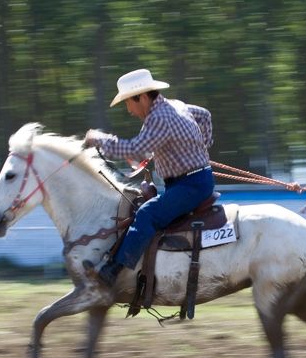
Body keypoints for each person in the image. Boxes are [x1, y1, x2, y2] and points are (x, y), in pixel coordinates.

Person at [83, 69, 215, 288]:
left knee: (147, 213)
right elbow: (204, 115)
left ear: (142, 97)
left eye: (128, 102)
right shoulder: (175, 105)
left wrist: (99, 139)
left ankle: (112, 271)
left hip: (190, 185)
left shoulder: (159, 118)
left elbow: (135, 148)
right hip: (193, 181)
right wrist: (201, 146)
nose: (129, 110)